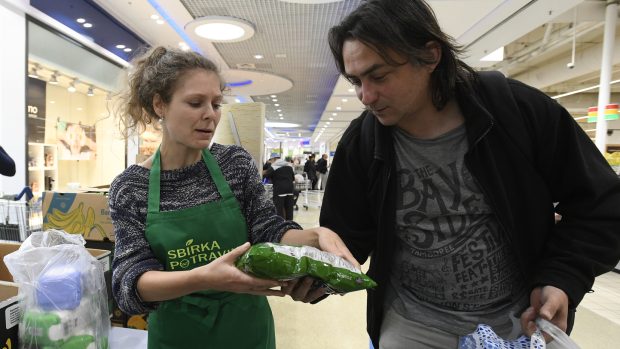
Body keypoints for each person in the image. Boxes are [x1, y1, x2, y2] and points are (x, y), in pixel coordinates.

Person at [317, 1, 620, 348]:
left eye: (380, 76)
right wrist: (309, 270)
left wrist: (563, 277)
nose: (366, 96)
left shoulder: (514, 113)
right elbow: (342, 238)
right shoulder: (363, 142)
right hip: (412, 325)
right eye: (356, 81)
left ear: (431, 56)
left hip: (518, 321)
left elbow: (600, 202)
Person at [108, 46, 358, 349]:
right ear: (160, 104)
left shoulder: (234, 164)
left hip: (246, 329)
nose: (210, 115)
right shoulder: (131, 187)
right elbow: (129, 285)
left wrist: (316, 236)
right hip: (179, 335)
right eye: (195, 102)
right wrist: (203, 277)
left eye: (215, 103)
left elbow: (267, 230)